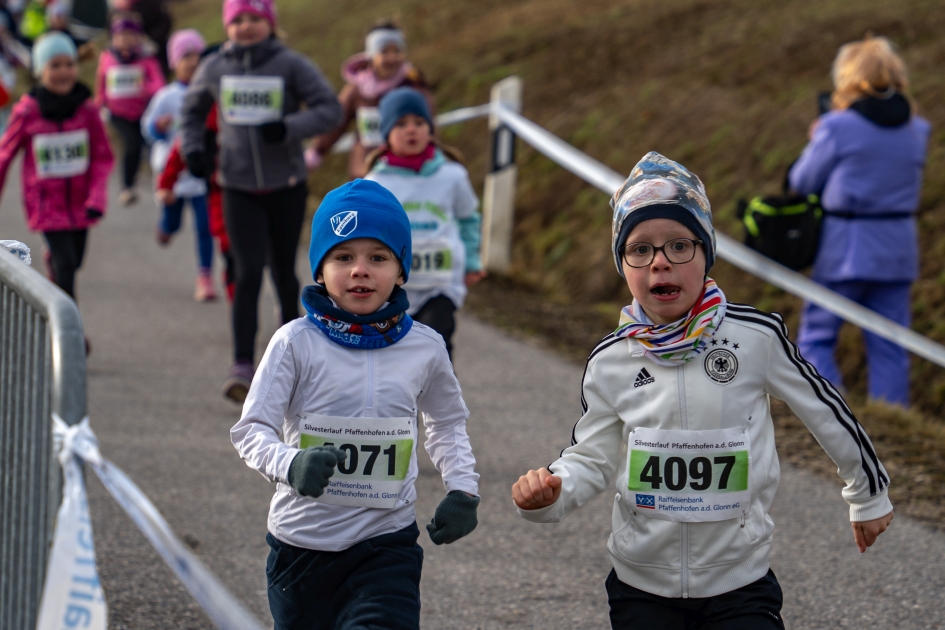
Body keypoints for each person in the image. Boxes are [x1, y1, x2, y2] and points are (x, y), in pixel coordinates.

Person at [511, 152, 894, 629]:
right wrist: (552, 492)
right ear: (622, 264)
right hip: (641, 584)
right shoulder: (611, 361)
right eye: (640, 249)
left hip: (740, 582)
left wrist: (868, 493)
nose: (660, 264)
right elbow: (592, 457)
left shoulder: (755, 338)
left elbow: (824, 409)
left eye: (679, 246)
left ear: (707, 252)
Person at [230, 178, 480, 630]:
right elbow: (251, 430)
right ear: (320, 271)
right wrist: (291, 464)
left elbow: (446, 422)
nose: (360, 270)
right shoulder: (293, 343)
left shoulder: (426, 347)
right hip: (301, 548)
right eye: (343, 257)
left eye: (378, 258)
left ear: (401, 270)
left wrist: (462, 489)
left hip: (386, 545)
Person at [180, 0, 342, 402]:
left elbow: (330, 109)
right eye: (238, 20)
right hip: (236, 186)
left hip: (285, 183)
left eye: (255, 18)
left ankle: (290, 363)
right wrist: (194, 149)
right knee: (247, 271)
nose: (246, 27)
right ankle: (241, 366)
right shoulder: (215, 66)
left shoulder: (291, 64)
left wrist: (288, 127)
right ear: (227, 26)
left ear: (270, 23)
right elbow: (191, 110)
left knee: (284, 271)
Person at [789, 35, 930, 408]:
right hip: (897, 247)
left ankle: (836, 416)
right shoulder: (918, 130)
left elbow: (802, 182)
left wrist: (816, 139)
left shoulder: (837, 127)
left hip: (845, 247)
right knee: (890, 344)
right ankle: (890, 424)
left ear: (849, 78)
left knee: (817, 336)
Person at [364, 88, 484, 358]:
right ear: (386, 134)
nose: (412, 130)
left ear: (430, 129)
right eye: (401, 124)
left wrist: (473, 262)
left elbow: (468, 220)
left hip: (441, 283)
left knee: (438, 344)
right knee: (400, 352)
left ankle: (441, 399)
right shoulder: (376, 183)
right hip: (394, 287)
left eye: (419, 123)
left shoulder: (452, 175)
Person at [0, 33, 113, 311]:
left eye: (69, 64)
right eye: (55, 66)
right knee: (65, 269)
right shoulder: (28, 111)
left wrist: (97, 197)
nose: (64, 72)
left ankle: (54, 268)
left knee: (74, 262)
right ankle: (69, 333)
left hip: (82, 204)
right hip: (46, 204)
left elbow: (102, 157)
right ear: (41, 71)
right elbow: (5, 154)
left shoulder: (87, 110)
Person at [142, 28, 216, 301]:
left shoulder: (211, 92)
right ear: (174, 62)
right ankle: (166, 227)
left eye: (198, 56)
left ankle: (205, 276)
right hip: (171, 173)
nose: (193, 62)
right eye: (186, 56)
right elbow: (147, 129)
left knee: (205, 226)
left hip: (199, 173)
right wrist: (157, 128)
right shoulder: (166, 96)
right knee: (173, 221)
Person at [306, 20, 431, 179]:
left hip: (408, 172)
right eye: (385, 52)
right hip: (366, 171)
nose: (392, 58)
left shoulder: (414, 86)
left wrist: (435, 157)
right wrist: (317, 151)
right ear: (371, 55)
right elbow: (336, 120)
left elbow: (429, 125)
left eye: (397, 51)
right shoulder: (358, 89)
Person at [94, 12, 164, 206]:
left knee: (146, 146)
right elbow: (101, 83)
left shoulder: (147, 59)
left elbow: (159, 86)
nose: (125, 40)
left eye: (129, 35)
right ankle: (127, 187)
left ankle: (159, 183)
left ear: (138, 37)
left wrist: (145, 87)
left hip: (142, 112)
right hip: (117, 113)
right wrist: (98, 106)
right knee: (132, 144)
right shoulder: (108, 58)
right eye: (120, 36)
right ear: (113, 38)